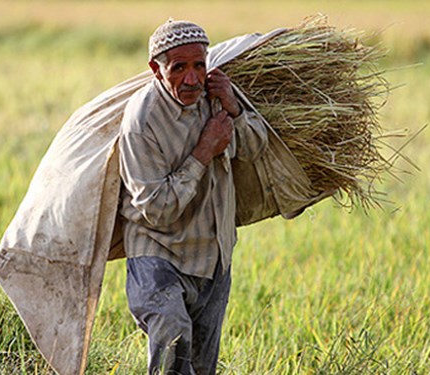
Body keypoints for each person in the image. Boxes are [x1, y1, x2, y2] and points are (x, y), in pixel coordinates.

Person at [118, 19, 268, 374]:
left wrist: (233, 109)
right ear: (156, 69)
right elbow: (155, 209)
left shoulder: (216, 97)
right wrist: (204, 151)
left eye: (198, 65)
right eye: (179, 68)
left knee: (202, 365)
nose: (191, 79)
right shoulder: (142, 121)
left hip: (212, 254)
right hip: (157, 253)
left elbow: (257, 146)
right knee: (172, 339)